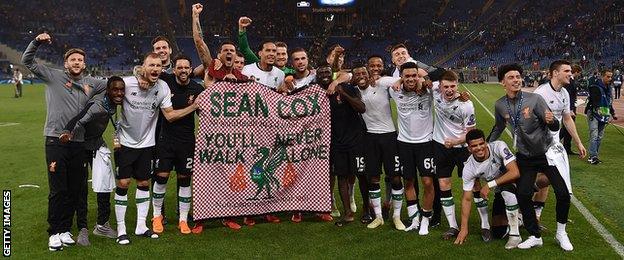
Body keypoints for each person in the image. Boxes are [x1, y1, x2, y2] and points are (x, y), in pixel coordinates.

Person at [22, 32, 107, 251]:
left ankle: (66, 229)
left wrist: (96, 104)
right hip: (55, 140)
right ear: (66, 64)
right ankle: (54, 231)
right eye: (73, 60)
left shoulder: (92, 83)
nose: (76, 62)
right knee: (57, 189)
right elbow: (27, 61)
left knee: (74, 188)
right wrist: (36, 42)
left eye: (80, 60)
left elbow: (110, 86)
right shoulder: (54, 76)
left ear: (84, 64)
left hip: (78, 142)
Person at [113, 53, 199, 245]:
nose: (155, 69)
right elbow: (111, 90)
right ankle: (121, 229)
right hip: (126, 143)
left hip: (148, 144)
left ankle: (141, 226)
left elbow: (168, 114)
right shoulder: (127, 83)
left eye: (158, 66)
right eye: (151, 65)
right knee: (124, 183)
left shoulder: (162, 87)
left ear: (163, 69)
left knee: (144, 183)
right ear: (143, 66)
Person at [488, 64, 571, 251]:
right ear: (503, 82)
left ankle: (561, 233)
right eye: (511, 77)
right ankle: (535, 235)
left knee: (563, 193)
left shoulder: (535, 99)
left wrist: (552, 122)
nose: (516, 80)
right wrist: (487, 146)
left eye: (518, 76)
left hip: (547, 153)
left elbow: (555, 126)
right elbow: (499, 127)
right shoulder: (500, 104)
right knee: (524, 194)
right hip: (525, 155)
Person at [59, 76, 126, 244]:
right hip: (80, 146)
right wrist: (67, 132)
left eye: (121, 89)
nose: (119, 93)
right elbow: (79, 119)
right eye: (115, 90)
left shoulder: (114, 104)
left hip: (97, 145)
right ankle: (82, 229)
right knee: (81, 188)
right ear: (108, 91)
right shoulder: (97, 106)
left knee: (104, 183)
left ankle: (102, 225)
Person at [375, 62, 436, 235]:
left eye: (413, 75)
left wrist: (425, 79)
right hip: (403, 143)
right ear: (402, 76)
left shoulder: (428, 90)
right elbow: (379, 80)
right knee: (408, 181)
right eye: (406, 76)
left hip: (425, 142)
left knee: (427, 182)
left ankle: (425, 219)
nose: (410, 79)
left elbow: (444, 77)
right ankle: (414, 219)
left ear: (418, 76)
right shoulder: (396, 90)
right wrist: (398, 81)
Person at [150, 54, 204, 235]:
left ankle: (183, 219)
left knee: (185, 180)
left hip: (187, 141)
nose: (183, 71)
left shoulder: (196, 88)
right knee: (161, 177)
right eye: (179, 67)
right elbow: (170, 116)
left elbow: (203, 115)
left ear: (190, 70)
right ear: (174, 70)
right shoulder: (165, 84)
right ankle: (157, 216)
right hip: (166, 140)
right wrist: (193, 106)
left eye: (186, 68)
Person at [532, 60, 587, 225]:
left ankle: (534, 215)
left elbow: (567, 118)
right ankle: (523, 193)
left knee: (548, 179)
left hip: (554, 144)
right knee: (548, 177)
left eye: (570, 71)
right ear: (555, 73)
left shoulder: (564, 93)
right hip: (538, 143)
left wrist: (578, 142)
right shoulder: (541, 93)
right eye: (567, 71)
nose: (571, 73)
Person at [315, 63, 367, 227]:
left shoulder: (345, 87)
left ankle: (367, 210)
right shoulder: (315, 93)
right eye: (321, 71)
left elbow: (362, 108)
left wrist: (343, 93)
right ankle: (348, 214)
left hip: (356, 140)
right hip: (336, 143)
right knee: (342, 177)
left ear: (333, 75)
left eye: (327, 71)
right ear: (317, 76)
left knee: (362, 176)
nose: (324, 73)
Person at [454, 129, 522, 249]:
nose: (479, 148)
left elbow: (515, 172)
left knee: (508, 192)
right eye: (474, 146)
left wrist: (489, 185)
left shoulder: (498, 146)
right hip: (499, 189)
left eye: (481, 143)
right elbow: (467, 199)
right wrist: (464, 229)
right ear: (469, 149)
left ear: (485, 142)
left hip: (518, 182)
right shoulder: (469, 168)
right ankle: (521, 218)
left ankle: (515, 235)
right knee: (498, 232)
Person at [431, 70, 478, 241]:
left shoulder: (466, 105)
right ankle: (453, 226)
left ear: (457, 85)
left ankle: (485, 224)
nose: (449, 90)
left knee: (474, 185)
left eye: (452, 86)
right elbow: (421, 76)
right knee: (444, 183)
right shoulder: (434, 89)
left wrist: (455, 142)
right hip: (440, 146)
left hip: (461, 148)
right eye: (446, 87)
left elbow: (471, 134)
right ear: (440, 86)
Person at [585, 69, 615, 164]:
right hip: (594, 113)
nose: (610, 79)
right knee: (594, 135)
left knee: (599, 136)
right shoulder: (595, 86)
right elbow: (594, 99)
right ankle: (592, 156)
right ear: (602, 76)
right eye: (608, 76)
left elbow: (609, 103)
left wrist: (613, 113)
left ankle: (595, 155)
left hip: (604, 114)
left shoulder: (609, 88)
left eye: (611, 77)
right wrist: (597, 108)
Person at [560, 64, 582, 154]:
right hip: (569, 108)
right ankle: (553, 141)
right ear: (576, 72)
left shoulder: (572, 81)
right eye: (579, 73)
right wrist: (570, 109)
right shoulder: (569, 82)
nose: (579, 75)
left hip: (572, 107)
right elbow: (568, 96)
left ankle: (567, 148)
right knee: (566, 128)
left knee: (568, 129)